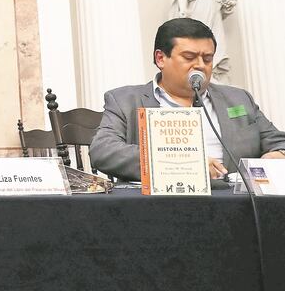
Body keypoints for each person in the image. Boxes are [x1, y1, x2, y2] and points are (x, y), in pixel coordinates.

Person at [89, 18, 285, 181]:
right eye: (189, 57)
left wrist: (276, 156)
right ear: (160, 59)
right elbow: (103, 151)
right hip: (159, 207)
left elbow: (279, 142)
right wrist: (185, 164)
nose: (200, 65)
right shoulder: (125, 100)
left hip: (235, 205)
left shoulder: (238, 99)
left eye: (207, 59)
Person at [168, 0, 236, 79]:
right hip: (198, 9)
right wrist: (183, 9)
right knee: (199, 38)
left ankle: (214, 67)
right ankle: (200, 66)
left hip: (214, 10)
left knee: (215, 37)